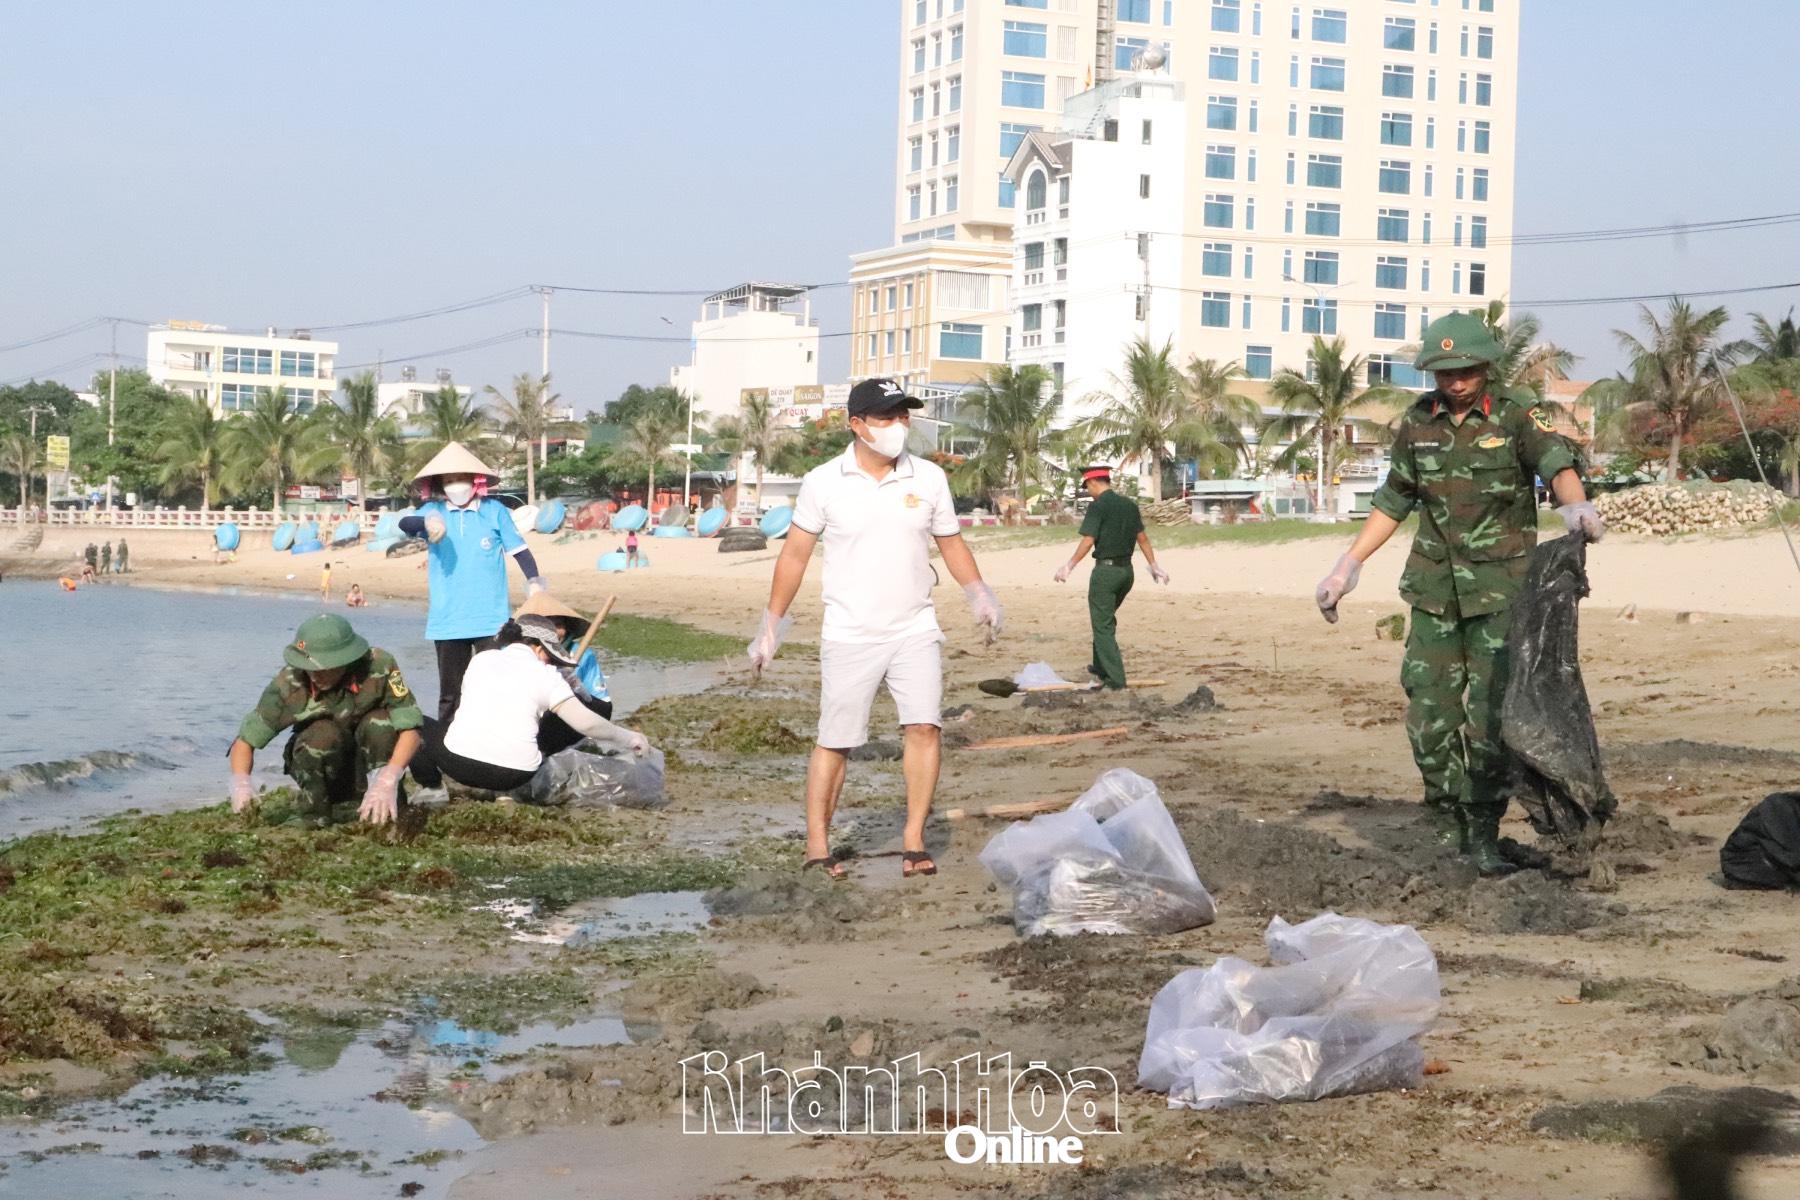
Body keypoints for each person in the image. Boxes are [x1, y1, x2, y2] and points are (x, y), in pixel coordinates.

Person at [1313, 311, 1604, 875]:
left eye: (1466, 370)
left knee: (1491, 720)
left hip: (1501, 595)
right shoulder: (1417, 422)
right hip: (1433, 592)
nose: (1456, 381)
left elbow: (1556, 465)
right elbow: (1394, 498)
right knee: (1429, 716)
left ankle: (1482, 830)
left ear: (1485, 366)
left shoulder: (1518, 415)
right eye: (1445, 372)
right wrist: (1346, 565)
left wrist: (1577, 506)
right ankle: (1445, 824)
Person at [748, 377, 1004, 881]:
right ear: (858, 425)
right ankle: (818, 844)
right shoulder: (824, 480)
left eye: (903, 415)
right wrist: (770, 624)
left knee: (925, 727)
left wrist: (979, 593)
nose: (897, 426)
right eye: (886, 417)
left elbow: (950, 543)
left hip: (915, 627)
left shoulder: (928, 478)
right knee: (836, 739)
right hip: (849, 632)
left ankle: (913, 839)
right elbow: (795, 554)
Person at [410, 615, 649, 796]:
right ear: (537, 647)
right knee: (557, 717)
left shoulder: (481, 660)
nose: (549, 661)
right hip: (514, 776)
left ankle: (432, 787)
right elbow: (587, 723)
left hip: (459, 766)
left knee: (414, 719)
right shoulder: (547, 676)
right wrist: (629, 738)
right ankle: (512, 793)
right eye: (548, 654)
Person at [397, 443, 547, 722]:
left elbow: (520, 551)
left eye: (461, 478)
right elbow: (406, 523)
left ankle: (497, 745)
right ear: (440, 484)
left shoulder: (494, 511)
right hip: (448, 620)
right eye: (449, 480)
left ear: (475, 480)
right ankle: (449, 752)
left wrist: (535, 583)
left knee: (495, 689)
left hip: (492, 620)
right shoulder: (434, 511)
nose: (456, 485)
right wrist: (428, 521)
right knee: (450, 695)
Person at [228, 614, 423, 826]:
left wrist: (389, 779)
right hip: (324, 771)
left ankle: (387, 804)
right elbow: (245, 741)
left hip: (373, 767)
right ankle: (316, 812)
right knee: (322, 733)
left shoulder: (379, 666)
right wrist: (241, 783)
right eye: (309, 668)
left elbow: (411, 729)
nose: (315, 675)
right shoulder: (289, 683)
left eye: (325, 668)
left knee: (380, 723)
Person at [1052, 465, 1170, 689]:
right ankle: (1100, 666)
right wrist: (1154, 565)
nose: (1088, 492)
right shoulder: (1129, 505)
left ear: (1093, 483)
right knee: (1105, 619)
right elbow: (1142, 538)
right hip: (1127, 572)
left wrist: (1069, 566)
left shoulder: (1099, 507)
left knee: (1102, 625)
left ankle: (1115, 680)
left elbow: (1088, 540)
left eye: (1087, 487)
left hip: (1106, 573)